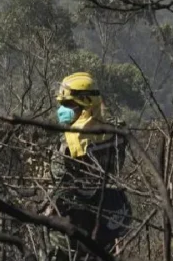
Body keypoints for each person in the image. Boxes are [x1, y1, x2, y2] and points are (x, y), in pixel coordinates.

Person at [43, 71, 131, 260]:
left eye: (69, 104)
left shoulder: (67, 144)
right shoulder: (116, 132)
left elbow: (60, 188)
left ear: (86, 105)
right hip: (106, 221)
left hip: (71, 231)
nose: (62, 110)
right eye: (62, 104)